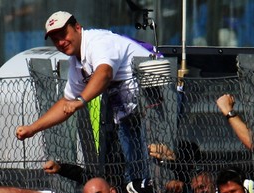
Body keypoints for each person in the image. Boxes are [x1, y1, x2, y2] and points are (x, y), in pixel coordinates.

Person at [15, 11, 156, 182]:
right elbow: (66, 102)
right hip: (130, 116)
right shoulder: (77, 62)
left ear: (77, 27)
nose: (60, 42)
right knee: (136, 177)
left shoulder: (98, 43)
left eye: (63, 34)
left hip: (155, 104)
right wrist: (33, 128)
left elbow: (104, 73)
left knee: (154, 172)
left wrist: (80, 101)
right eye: (55, 39)